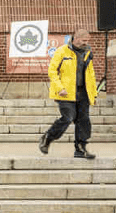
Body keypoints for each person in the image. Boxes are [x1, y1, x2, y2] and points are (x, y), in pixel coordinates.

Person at [39, 28, 98, 159]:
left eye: (87, 41)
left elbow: (90, 74)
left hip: (83, 93)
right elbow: (52, 71)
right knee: (68, 117)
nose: (86, 43)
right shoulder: (62, 51)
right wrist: (60, 88)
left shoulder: (88, 53)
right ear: (75, 38)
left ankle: (81, 149)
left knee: (84, 120)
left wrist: (93, 93)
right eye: (83, 40)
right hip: (65, 93)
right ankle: (48, 138)